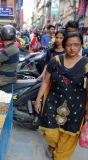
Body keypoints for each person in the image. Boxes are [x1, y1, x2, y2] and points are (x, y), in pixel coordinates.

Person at [34, 32, 88, 160]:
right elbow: (46, 81)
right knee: (49, 130)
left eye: (76, 45)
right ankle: (53, 145)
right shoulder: (55, 61)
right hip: (53, 102)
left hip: (76, 106)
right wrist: (38, 100)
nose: (72, 48)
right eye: (69, 45)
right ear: (64, 45)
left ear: (81, 46)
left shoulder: (86, 64)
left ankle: (59, 156)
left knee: (68, 136)